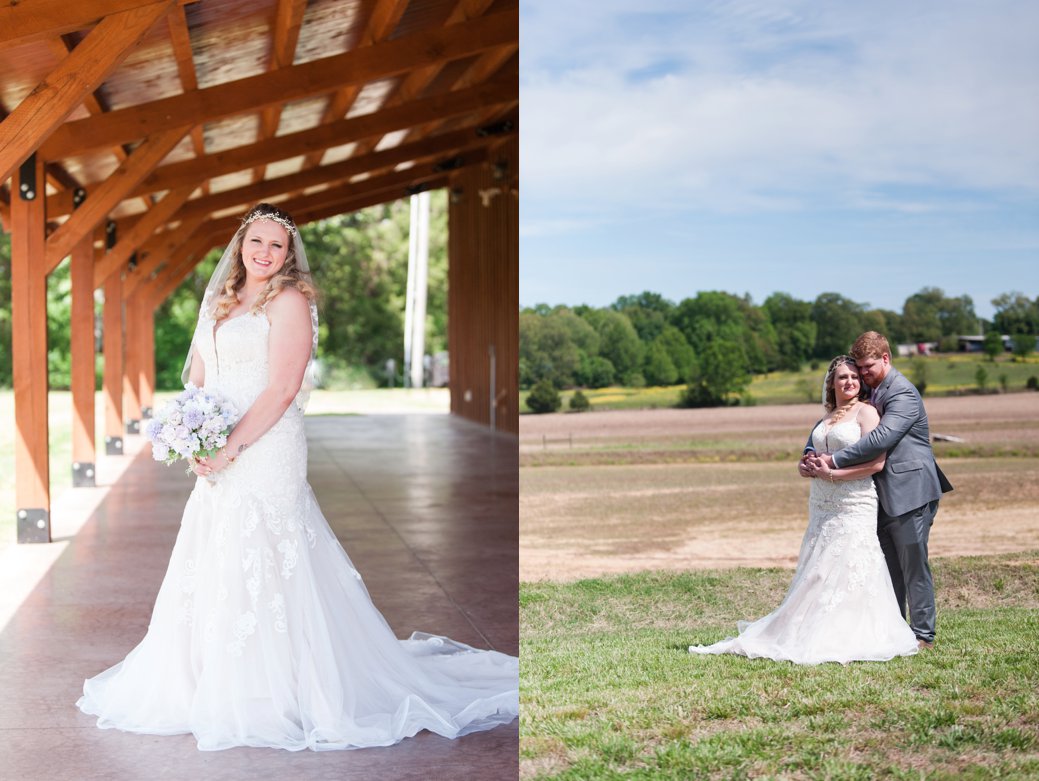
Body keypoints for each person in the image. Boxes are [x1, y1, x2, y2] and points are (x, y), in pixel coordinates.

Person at [76, 203, 518, 751]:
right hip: (220, 450)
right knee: (217, 551)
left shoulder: (288, 301)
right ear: (240, 244)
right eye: (255, 241)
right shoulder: (219, 301)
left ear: (288, 256)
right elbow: (201, 375)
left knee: (267, 550)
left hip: (266, 446)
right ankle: (209, 680)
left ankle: (280, 689)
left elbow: (283, 389)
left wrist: (232, 445)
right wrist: (196, 437)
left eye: (276, 246)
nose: (264, 253)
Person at [688, 355, 920, 664]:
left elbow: (876, 463)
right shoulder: (825, 419)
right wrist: (805, 466)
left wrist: (834, 474)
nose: (850, 381)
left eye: (854, 376)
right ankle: (802, 626)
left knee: (849, 562)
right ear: (831, 383)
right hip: (822, 501)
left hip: (854, 500)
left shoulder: (867, 413)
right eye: (842, 377)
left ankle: (847, 632)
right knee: (818, 566)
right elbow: (809, 454)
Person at [811, 331, 952, 649]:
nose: (862, 374)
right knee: (889, 568)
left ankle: (924, 635)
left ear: (886, 358)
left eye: (868, 367)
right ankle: (896, 631)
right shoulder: (872, 391)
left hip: (911, 490)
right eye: (858, 368)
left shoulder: (902, 393)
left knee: (913, 564)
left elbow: (879, 440)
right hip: (878, 494)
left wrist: (832, 460)